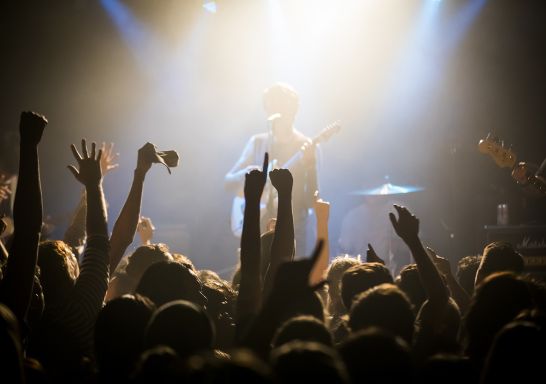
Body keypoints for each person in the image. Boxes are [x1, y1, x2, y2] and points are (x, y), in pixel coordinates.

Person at [225, 83, 318, 256]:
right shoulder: (258, 142)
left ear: (293, 110)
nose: (274, 113)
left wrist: (311, 167)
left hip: (293, 230)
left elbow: (311, 202)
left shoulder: (305, 145)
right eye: (270, 108)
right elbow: (228, 181)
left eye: (280, 107)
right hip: (259, 227)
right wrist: (248, 174)